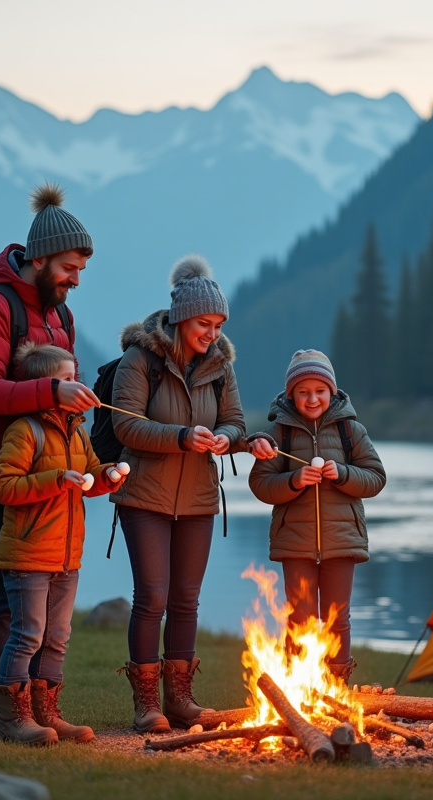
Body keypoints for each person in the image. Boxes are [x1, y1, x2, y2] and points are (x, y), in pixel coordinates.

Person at [109, 254, 275, 732]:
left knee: (186, 599)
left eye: (219, 322)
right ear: (182, 319)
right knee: (152, 597)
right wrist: (181, 437)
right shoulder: (140, 360)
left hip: (200, 497)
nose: (213, 331)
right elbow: (127, 425)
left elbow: (236, 421)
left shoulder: (220, 365)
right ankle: (147, 705)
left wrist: (233, 438)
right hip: (145, 496)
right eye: (205, 322)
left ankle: (180, 700)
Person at [0, 184, 100, 724]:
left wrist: (74, 401)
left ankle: (38, 707)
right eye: (69, 268)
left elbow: (62, 384)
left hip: (54, 462)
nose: (75, 279)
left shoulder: (59, 315)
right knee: (5, 585)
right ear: (38, 258)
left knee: (47, 588)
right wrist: (51, 393)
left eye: (80, 270)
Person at [0, 343, 124, 745]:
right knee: (28, 634)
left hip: (67, 557)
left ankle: (47, 713)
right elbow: (3, 486)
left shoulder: (78, 431)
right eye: (65, 379)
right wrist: (54, 480)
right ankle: (11, 719)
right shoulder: (24, 430)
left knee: (57, 636)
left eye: (74, 376)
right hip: (28, 555)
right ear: (42, 386)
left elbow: (91, 475)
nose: (75, 385)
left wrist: (109, 476)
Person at [247, 349, 387, 683]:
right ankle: (297, 687)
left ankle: (336, 689)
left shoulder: (350, 431)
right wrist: (294, 481)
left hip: (343, 541)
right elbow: (261, 485)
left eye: (320, 391)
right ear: (291, 394)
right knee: (299, 618)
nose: (312, 399)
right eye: (303, 392)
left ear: (332, 391)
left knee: (338, 619)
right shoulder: (278, 432)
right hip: (295, 543)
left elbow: (376, 478)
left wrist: (341, 474)